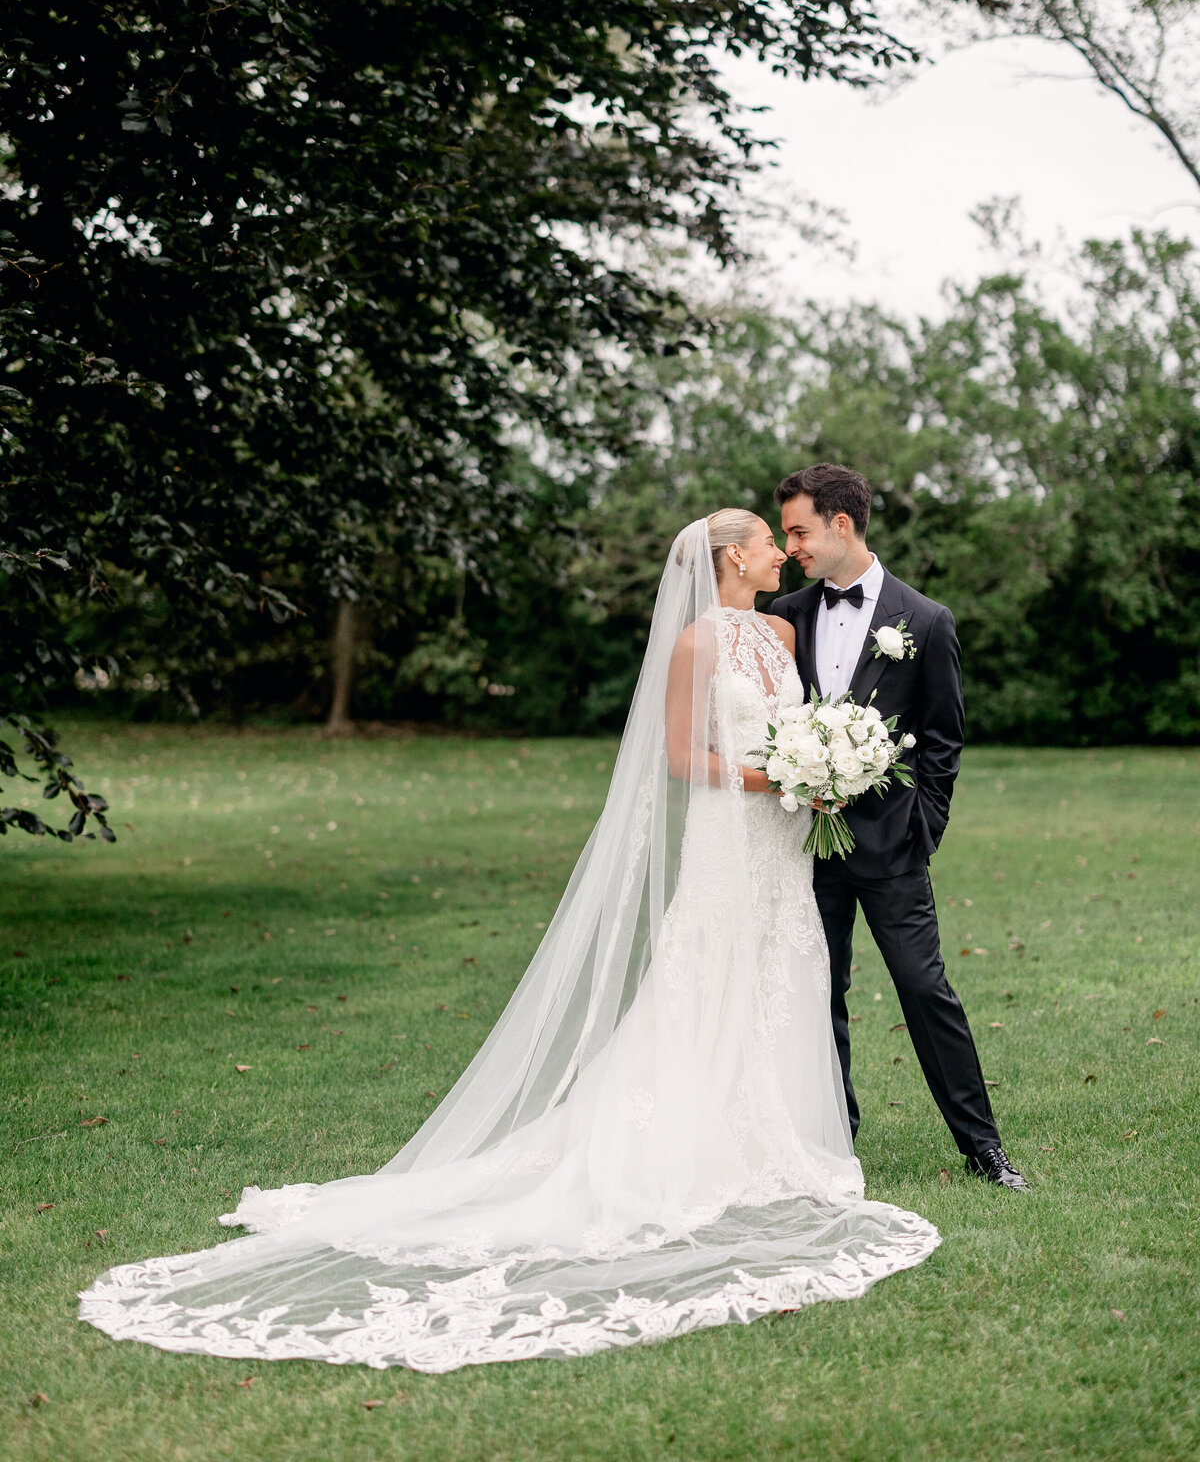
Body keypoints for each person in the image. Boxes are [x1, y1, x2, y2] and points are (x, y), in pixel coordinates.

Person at [79, 512, 940, 1373]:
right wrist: (779, 775)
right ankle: (687, 1135)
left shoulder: (781, 628)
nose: (775, 549)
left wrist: (818, 766)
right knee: (708, 969)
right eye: (761, 537)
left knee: (779, 971)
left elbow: (798, 723)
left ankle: (777, 1136)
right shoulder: (694, 647)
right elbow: (681, 758)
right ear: (729, 558)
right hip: (734, 829)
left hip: (783, 841)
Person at [769, 463, 1028, 1192]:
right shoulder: (786, 614)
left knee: (924, 988)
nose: (792, 546)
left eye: (799, 530)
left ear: (841, 525)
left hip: (892, 847)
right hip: (802, 847)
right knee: (819, 993)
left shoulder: (927, 620)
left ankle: (984, 1149)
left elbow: (943, 737)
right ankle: (831, 1141)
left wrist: (925, 828)